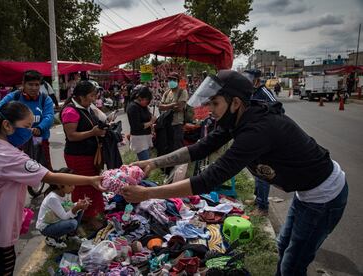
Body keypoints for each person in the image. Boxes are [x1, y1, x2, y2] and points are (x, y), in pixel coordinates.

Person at [122, 70, 348, 276]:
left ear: (236, 102)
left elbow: (210, 178)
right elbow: (201, 147)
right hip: (305, 193)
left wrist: (147, 194)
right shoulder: (237, 119)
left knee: (293, 262)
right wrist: (153, 162)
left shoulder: (258, 129)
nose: (210, 109)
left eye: (215, 103)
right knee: (283, 248)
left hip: (324, 196)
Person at [0, 101, 103, 276]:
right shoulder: (9, 156)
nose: (29, 131)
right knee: (3, 267)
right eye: (27, 126)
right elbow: (51, 176)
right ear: (7, 125)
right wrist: (91, 180)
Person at [0, 70, 55, 170]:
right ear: (23, 84)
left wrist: (39, 128)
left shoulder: (45, 99)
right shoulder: (14, 96)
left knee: (45, 168)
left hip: (39, 139)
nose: (34, 88)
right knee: (18, 169)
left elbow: (49, 117)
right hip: (16, 141)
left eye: (37, 85)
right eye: (30, 84)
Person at [60, 81, 107, 229]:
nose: (94, 98)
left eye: (95, 95)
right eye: (91, 95)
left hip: (89, 155)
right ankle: (86, 218)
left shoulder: (87, 108)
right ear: (81, 96)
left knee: (92, 185)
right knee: (83, 187)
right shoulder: (70, 111)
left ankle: (91, 214)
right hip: (78, 156)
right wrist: (92, 132)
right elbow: (72, 135)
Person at [244, 69, 278, 216]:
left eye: (250, 79)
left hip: (266, 138)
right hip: (256, 137)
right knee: (257, 172)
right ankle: (258, 199)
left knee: (263, 173)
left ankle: (263, 207)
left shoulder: (265, 92)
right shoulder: (251, 92)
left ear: (257, 80)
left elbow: (277, 110)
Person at [36, 167, 91, 249]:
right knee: (72, 223)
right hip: (46, 227)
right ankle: (51, 238)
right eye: (70, 185)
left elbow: (67, 206)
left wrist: (79, 205)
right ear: (59, 185)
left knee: (80, 210)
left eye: (73, 184)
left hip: (55, 220)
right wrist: (76, 207)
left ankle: (71, 235)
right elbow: (64, 217)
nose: (73, 187)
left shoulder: (63, 193)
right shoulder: (53, 198)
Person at [158, 72, 188, 151]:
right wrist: (172, 105)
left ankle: (180, 163)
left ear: (178, 81)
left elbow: (180, 108)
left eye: (173, 79)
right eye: (169, 79)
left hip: (177, 123)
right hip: (167, 123)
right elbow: (160, 107)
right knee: (168, 146)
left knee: (178, 146)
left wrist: (166, 107)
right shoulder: (167, 92)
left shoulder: (182, 92)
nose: (171, 81)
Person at [126, 85, 156, 161]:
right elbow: (137, 126)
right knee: (145, 163)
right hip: (139, 140)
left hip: (145, 138)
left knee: (146, 162)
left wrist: (152, 127)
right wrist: (151, 122)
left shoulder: (143, 106)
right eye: (147, 100)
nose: (147, 102)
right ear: (140, 97)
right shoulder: (133, 107)